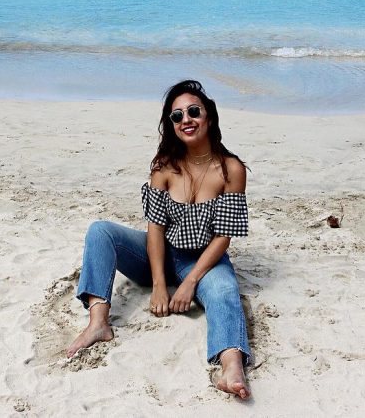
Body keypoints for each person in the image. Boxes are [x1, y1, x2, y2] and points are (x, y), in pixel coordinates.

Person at [67, 79, 251, 399]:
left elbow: (224, 236)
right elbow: (154, 230)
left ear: (209, 116)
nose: (186, 120)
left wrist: (190, 281)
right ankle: (98, 322)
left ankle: (231, 366)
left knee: (224, 289)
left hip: (203, 261)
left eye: (194, 111)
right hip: (160, 255)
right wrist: (159, 285)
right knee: (101, 231)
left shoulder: (231, 169)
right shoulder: (164, 167)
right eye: (177, 116)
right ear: (171, 125)